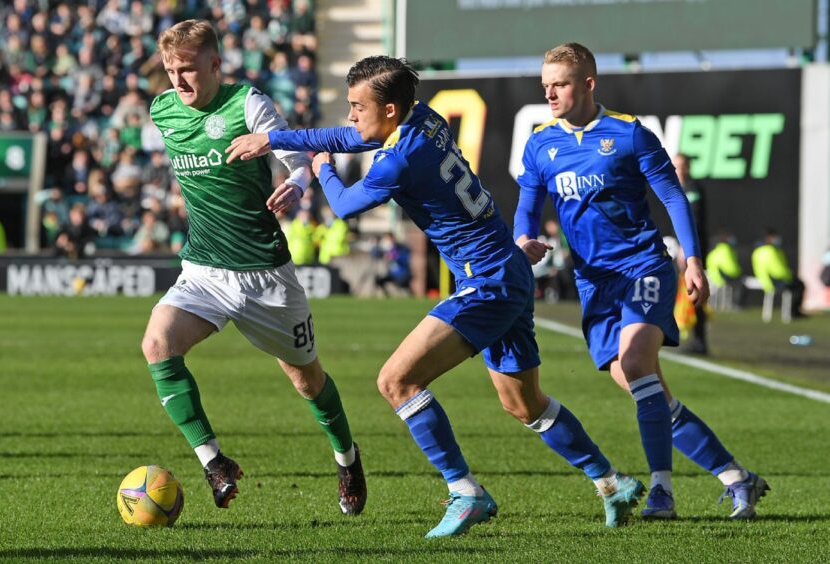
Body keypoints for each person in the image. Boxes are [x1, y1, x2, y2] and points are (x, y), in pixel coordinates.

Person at [227, 55, 645, 537]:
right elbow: (350, 137)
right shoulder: (425, 118)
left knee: (396, 381)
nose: (349, 115)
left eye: (355, 106)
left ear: (387, 110)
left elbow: (343, 205)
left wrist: (321, 170)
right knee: (523, 404)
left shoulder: (398, 160)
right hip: (506, 269)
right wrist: (275, 138)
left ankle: (465, 492)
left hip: (486, 282)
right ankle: (611, 482)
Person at [513, 43, 769, 520]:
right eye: (545, 84)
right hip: (594, 285)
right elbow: (527, 207)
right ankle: (738, 479)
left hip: (643, 268)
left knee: (636, 363)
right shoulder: (540, 143)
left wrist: (693, 260)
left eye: (560, 83)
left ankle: (661, 493)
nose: (549, 92)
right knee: (649, 392)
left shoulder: (629, 134)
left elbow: (672, 195)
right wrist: (522, 239)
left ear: (588, 83)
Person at [143, 20, 366, 516]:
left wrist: (297, 183)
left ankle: (347, 458)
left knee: (307, 380)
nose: (178, 81)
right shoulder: (162, 110)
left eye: (188, 69)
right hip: (203, 270)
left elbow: (297, 157)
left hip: (265, 274)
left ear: (215, 64)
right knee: (157, 343)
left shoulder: (247, 104)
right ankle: (214, 462)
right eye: (170, 70)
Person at [673, 154, 709, 354]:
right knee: (684, 293)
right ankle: (689, 335)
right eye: (675, 166)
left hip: (693, 251)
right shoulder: (677, 188)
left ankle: (699, 340)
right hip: (685, 249)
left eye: (681, 166)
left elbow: (693, 220)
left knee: (694, 292)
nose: (679, 170)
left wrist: (685, 249)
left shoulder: (692, 189)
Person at [751, 228, 806, 318]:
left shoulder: (757, 251)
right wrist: (789, 276)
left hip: (765, 281)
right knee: (799, 285)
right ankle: (793, 313)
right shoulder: (771, 251)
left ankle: (792, 312)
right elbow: (779, 271)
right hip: (775, 281)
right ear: (768, 238)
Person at [705, 230, 744, 310]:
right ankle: (735, 305)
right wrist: (740, 273)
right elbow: (733, 269)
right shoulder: (727, 251)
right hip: (723, 278)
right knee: (739, 283)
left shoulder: (713, 252)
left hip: (712, 279)